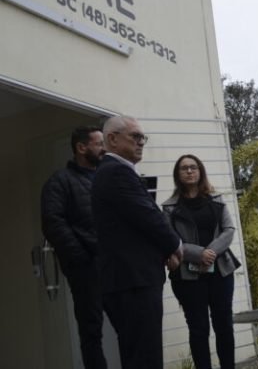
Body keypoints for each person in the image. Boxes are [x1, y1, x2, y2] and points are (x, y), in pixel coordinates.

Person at [91, 116, 183, 369]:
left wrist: (164, 249)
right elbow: (148, 216)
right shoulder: (116, 171)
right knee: (145, 356)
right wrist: (175, 246)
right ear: (112, 139)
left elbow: (136, 224)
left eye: (143, 137)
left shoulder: (114, 172)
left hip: (131, 279)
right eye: (135, 136)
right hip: (132, 281)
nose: (141, 142)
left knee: (138, 353)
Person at [162, 154, 241, 369]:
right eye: (184, 168)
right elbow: (169, 238)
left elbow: (229, 229)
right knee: (198, 328)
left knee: (223, 324)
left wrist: (210, 252)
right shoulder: (169, 207)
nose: (189, 171)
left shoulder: (216, 200)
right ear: (178, 175)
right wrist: (198, 254)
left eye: (193, 167)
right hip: (188, 276)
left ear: (200, 171)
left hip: (221, 271)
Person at [40, 126, 107, 369]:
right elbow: (53, 222)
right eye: (99, 144)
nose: (104, 149)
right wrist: (80, 259)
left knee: (129, 325)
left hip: (115, 266)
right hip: (87, 270)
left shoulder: (107, 178)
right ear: (81, 148)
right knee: (92, 333)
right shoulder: (60, 182)